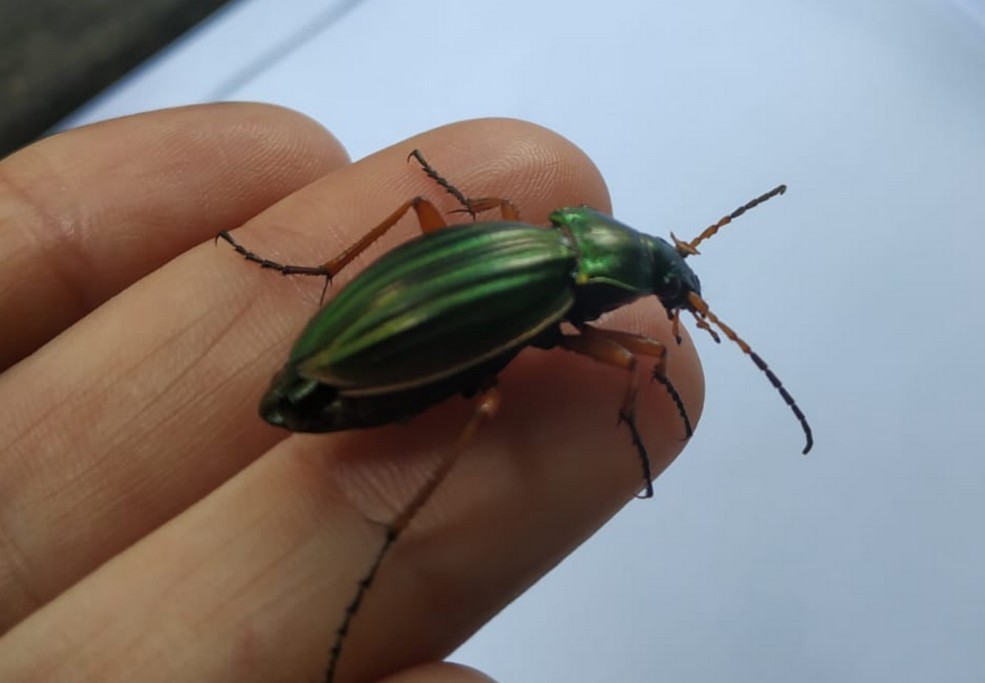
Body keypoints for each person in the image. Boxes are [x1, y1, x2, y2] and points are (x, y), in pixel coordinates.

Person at [0, 103, 702, 682]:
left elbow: (487, 223)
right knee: (491, 402)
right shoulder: (564, 284)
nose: (667, 300)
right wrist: (640, 401)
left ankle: (321, 274)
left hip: (371, 325)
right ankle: (390, 524)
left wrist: (466, 209)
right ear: (625, 277)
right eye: (668, 286)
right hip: (378, 354)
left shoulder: (528, 229)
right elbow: (637, 358)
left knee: (430, 209)